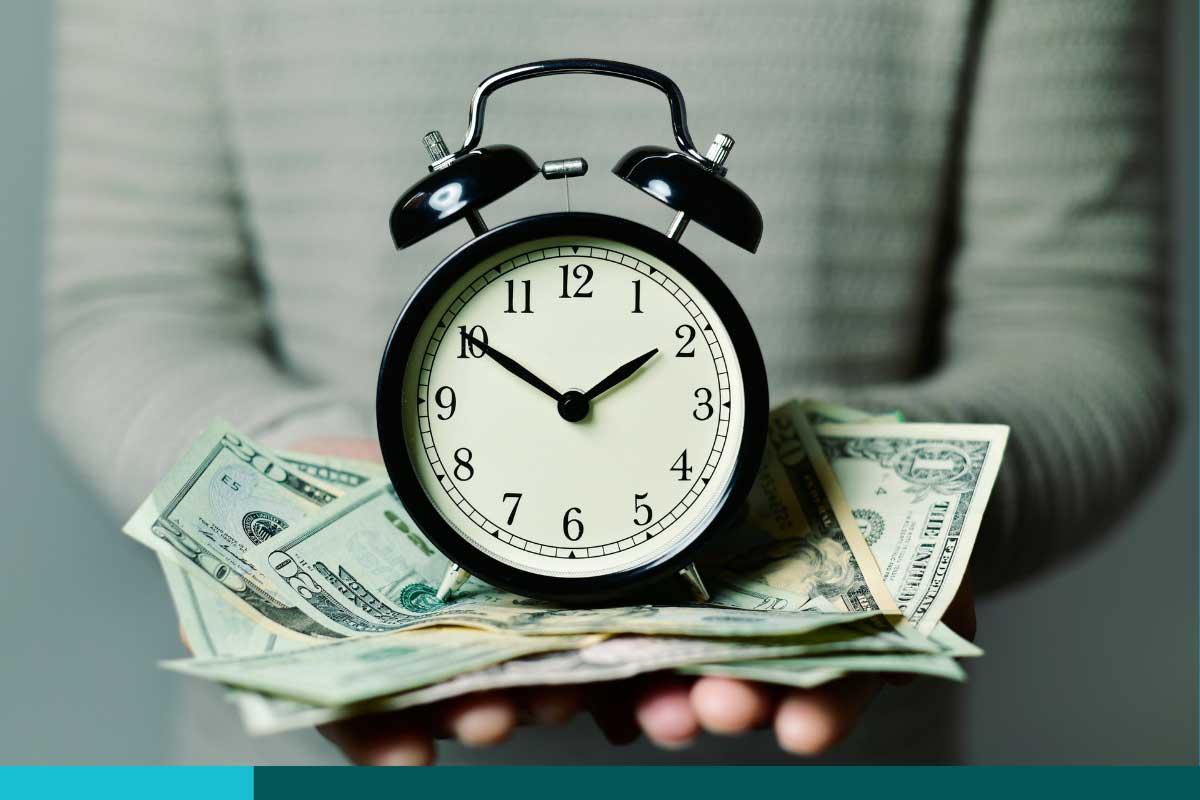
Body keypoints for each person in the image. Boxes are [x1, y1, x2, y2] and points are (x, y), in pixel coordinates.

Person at [41, 0, 1173, 765]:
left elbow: (1077, 322)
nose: (575, 406)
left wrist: (848, 488)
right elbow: (127, 306)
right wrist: (340, 475)